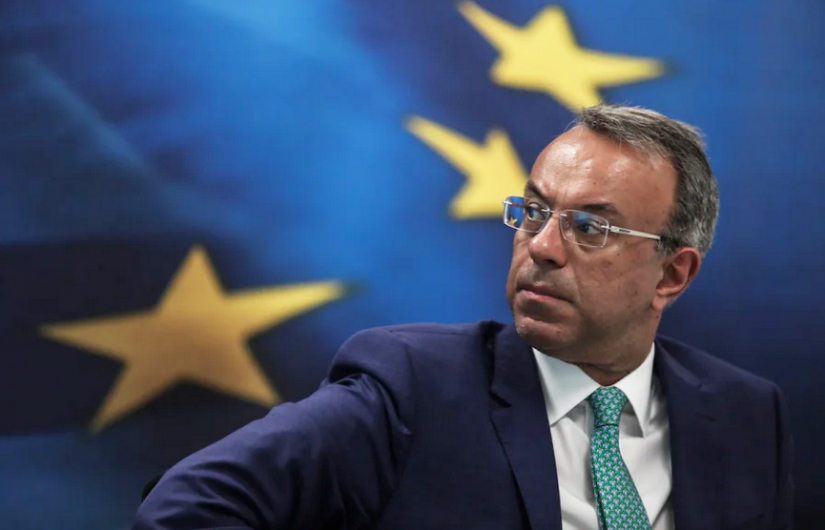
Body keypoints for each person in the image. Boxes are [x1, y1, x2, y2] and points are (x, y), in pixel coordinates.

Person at [133, 105, 793, 530]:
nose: (541, 247)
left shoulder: (746, 414)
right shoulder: (412, 386)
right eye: (534, 212)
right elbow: (187, 507)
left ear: (672, 274)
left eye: (589, 227)